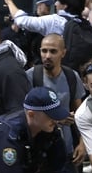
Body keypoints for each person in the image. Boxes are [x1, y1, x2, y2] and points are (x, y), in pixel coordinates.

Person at [25, 33, 86, 161]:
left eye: (53, 51)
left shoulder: (71, 76)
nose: (47, 56)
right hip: (40, 148)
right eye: (44, 51)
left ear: (63, 53)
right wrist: (56, 119)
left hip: (67, 147)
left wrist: (82, 143)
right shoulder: (31, 76)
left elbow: (81, 114)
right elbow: (25, 114)